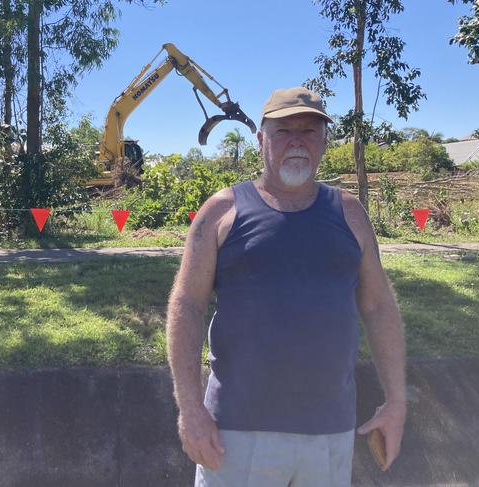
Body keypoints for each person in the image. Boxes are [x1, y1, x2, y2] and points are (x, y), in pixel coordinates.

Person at [166, 87, 407, 487]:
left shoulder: (349, 212)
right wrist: (190, 409)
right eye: (283, 131)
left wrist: (396, 402)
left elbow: (379, 306)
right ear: (261, 140)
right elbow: (186, 305)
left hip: (330, 431)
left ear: (325, 142)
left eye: (309, 131)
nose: (297, 141)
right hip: (235, 434)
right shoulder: (222, 211)